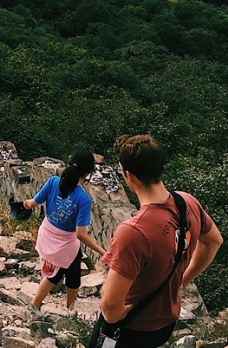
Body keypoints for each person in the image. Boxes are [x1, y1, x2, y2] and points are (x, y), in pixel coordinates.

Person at [89, 134, 222, 347]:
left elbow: (110, 304)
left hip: (132, 330)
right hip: (166, 323)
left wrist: (117, 316)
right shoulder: (188, 203)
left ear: (128, 176)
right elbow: (214, 241)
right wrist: (184, 280)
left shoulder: (133, 232)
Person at [23, 149, 106, 310]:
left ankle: (36, 305)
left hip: (47, 235)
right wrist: (102, 252)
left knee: (63, 272)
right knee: (67, 276)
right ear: (88, 173)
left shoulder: (53, 182)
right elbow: (80, 234)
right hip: (66, 244)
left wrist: (22, 205)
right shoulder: (83, 199)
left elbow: (32, 203)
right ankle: (68, 309)